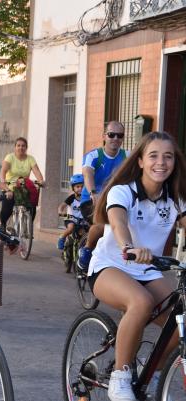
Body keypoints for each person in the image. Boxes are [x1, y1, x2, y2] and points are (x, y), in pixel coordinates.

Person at [87, 132, 186, 401]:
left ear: (174, 162)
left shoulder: (176, 197)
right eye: (153, 155)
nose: (161, 162)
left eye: (168, 157)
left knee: (182, 318)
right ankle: (121, 375)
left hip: (147, 270)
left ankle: (148, 369)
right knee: (140, 302)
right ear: (141, 161)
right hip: (110, 266)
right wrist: (128, 247)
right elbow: (118, 222)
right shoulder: (124, 191)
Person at [77, 121, 128, 270]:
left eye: (120, 135)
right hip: (91, 201)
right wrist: (94, 193)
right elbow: (87, 174)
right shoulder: (94, 155)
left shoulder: (127, 156)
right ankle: (86, 250)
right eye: (111, 134)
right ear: (104, 136)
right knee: (101, 225)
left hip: (116, 202)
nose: (115, 139)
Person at [0, 137, 45, 230]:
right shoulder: (10, 157)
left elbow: (37, 172)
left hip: (23, 188)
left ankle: (28, 224)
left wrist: (41, 181)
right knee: (7, 207)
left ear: (26, 147)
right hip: (10, 187)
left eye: (23, 146)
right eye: (18, 145)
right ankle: (3, 225)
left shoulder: (30, 159)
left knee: (32, 203)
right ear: (15, 147)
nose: (21, 148)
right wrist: (3, 182)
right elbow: (3, 171)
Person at [56, 174, 84, 250]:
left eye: (82, 186)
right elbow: (62, 206)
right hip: (70, 218)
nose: (80, 189)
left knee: (85, 231)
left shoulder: (86, 198)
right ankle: (62, 237)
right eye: (77, 187)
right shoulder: (71, 198)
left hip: (82, 219)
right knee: (71, 227)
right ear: (73, 188)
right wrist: (60, 211)